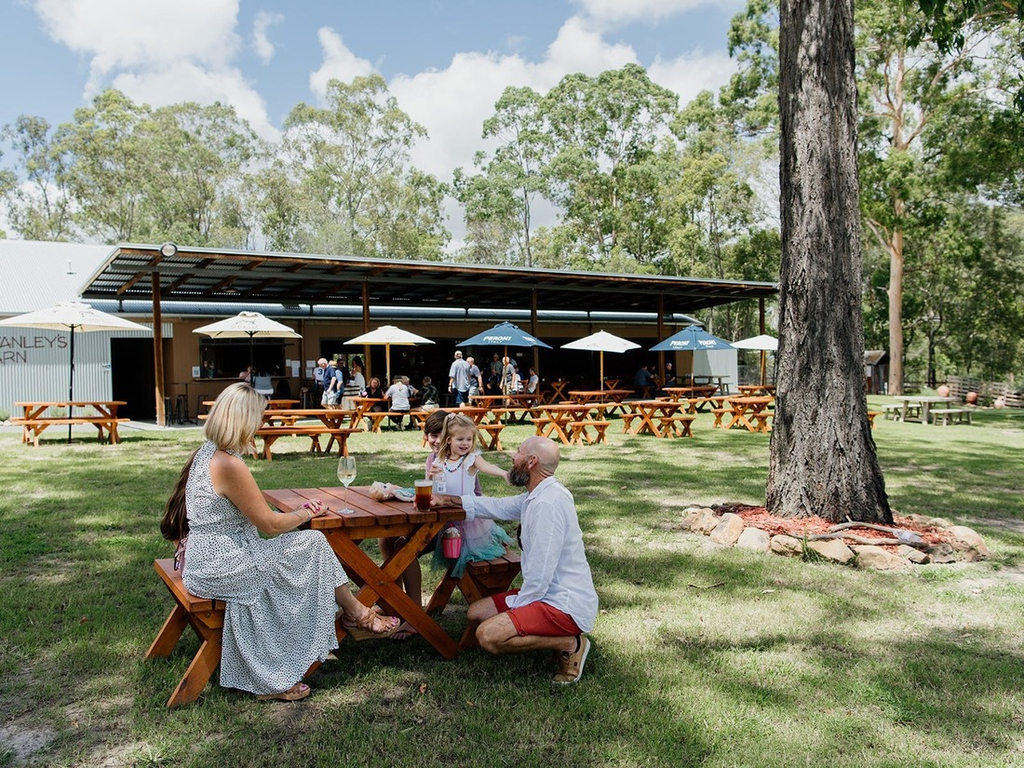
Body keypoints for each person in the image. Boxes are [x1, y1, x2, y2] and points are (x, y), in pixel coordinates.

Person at [159, 383, 399, 702]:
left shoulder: (207, 453)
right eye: (258, 417)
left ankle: (354, 611)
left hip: (209, 558)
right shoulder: (229, 464)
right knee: (312, 542)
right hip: (223, 564)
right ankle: (350, 617)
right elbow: (271, 526)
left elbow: (241, 510)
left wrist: (296, 514)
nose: (261, 424)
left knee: (308, 547)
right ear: (243, 421)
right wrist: (303, 513)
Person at [430, 436, 598, 684]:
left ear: (531, 462)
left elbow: (541, 573)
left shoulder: (548, 504)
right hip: (545, 593)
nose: (512, 456)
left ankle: (570, 643)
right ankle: (543, 632)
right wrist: (451, 500)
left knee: (488, 635)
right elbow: (498, 506)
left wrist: (518, 610)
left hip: (563, 603)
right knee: (476, 613)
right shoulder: (538, 494)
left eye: (518, 452)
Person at [429, 412, 513, 578]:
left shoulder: (471, 459)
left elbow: (487, 466)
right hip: (446, 517)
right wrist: (430, 476)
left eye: (469, 439)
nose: (466, 443)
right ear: (449, 440)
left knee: (470, 557)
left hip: (468, 517)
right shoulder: (440, 460)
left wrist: (503, 473)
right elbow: (432, 488)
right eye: (460, 439)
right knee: (452, 554)